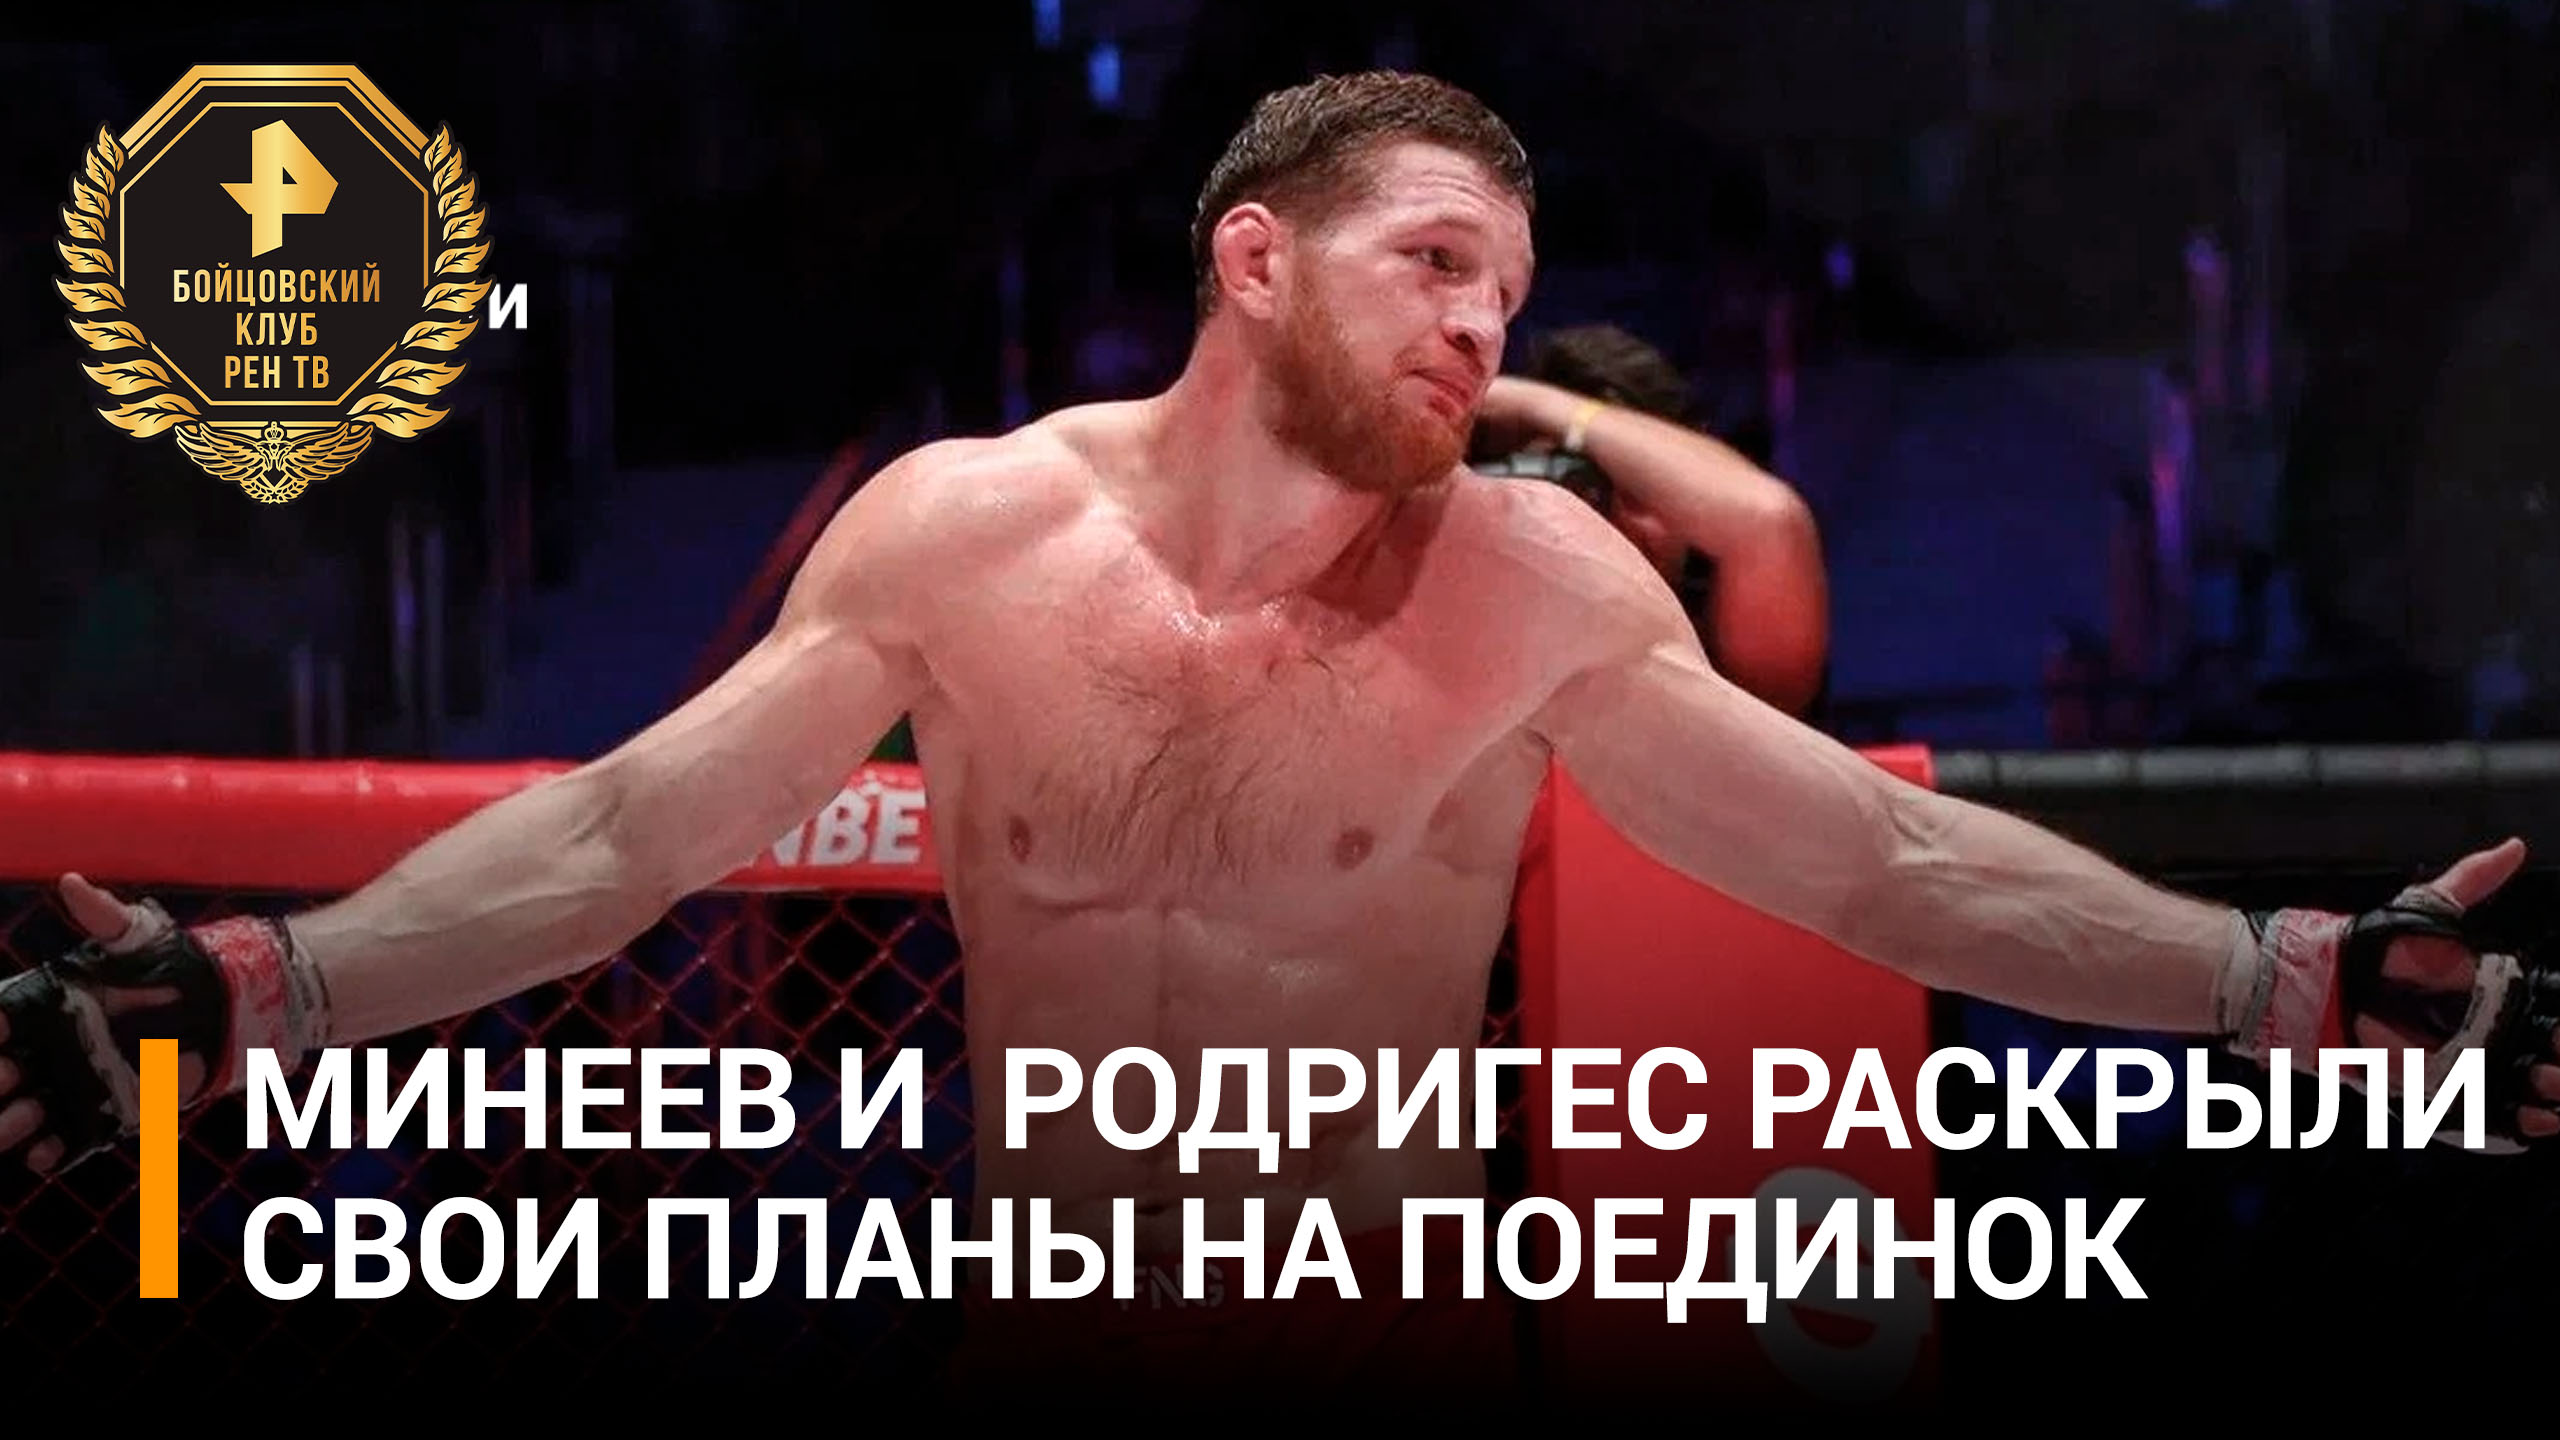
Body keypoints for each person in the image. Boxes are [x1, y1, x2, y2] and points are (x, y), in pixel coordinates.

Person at [8, 72, 2557, 1400]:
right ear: (1250, 256)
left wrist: (2278, 978)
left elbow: (1875, 872)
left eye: (1505, 289)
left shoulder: (1534, 585)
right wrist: (266, 986)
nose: (1476, 327)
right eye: (1429, 261)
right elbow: (621, 831)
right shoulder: (962, 529)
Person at [1471, 324, 1828, 716]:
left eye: (1648, 492)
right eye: (1588, 488)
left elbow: (1766, 520)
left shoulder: (1725, 652)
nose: (1634, 528)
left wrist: (1532, 403)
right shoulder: (1467, 631)